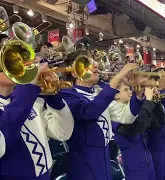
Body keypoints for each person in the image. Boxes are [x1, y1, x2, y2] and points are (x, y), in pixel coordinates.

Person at [61, 50, 141, 180]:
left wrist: (139, 93)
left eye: (94, 62)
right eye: (88, 63)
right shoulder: (68, 94)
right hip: (83, 160)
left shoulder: (99, 92)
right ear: (74, 72)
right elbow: (89, 112)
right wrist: (118, 77)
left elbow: (126, 117)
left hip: (104, 153)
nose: (96, 65)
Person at [0, 64, 74, 180]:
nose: (17, 69)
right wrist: (27, 90)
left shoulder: (31, 100)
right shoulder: (26, 96)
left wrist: (55, 100)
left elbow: (62, 133)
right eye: (5, 66)